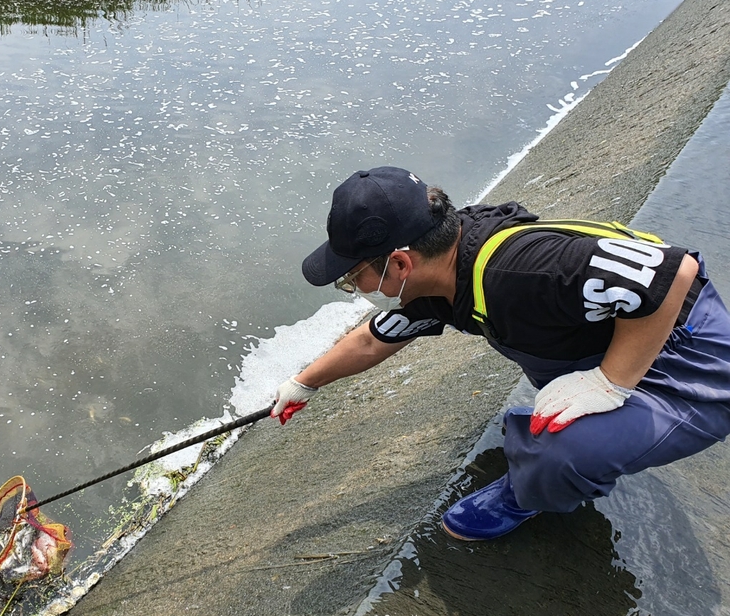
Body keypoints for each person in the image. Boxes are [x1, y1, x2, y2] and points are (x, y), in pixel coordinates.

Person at [271, 166, 730, 541]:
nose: (356, 290)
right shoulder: (441, 271)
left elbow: (669, 272)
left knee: (561, 452)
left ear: (399, 263)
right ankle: (588, 410)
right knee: (550, 363)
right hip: (620, 330)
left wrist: (611, 383)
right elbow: (374, 338)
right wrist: (303, 384)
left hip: (690, 358)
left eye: (353, 279)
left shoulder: (521, 271)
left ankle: (529, 491)